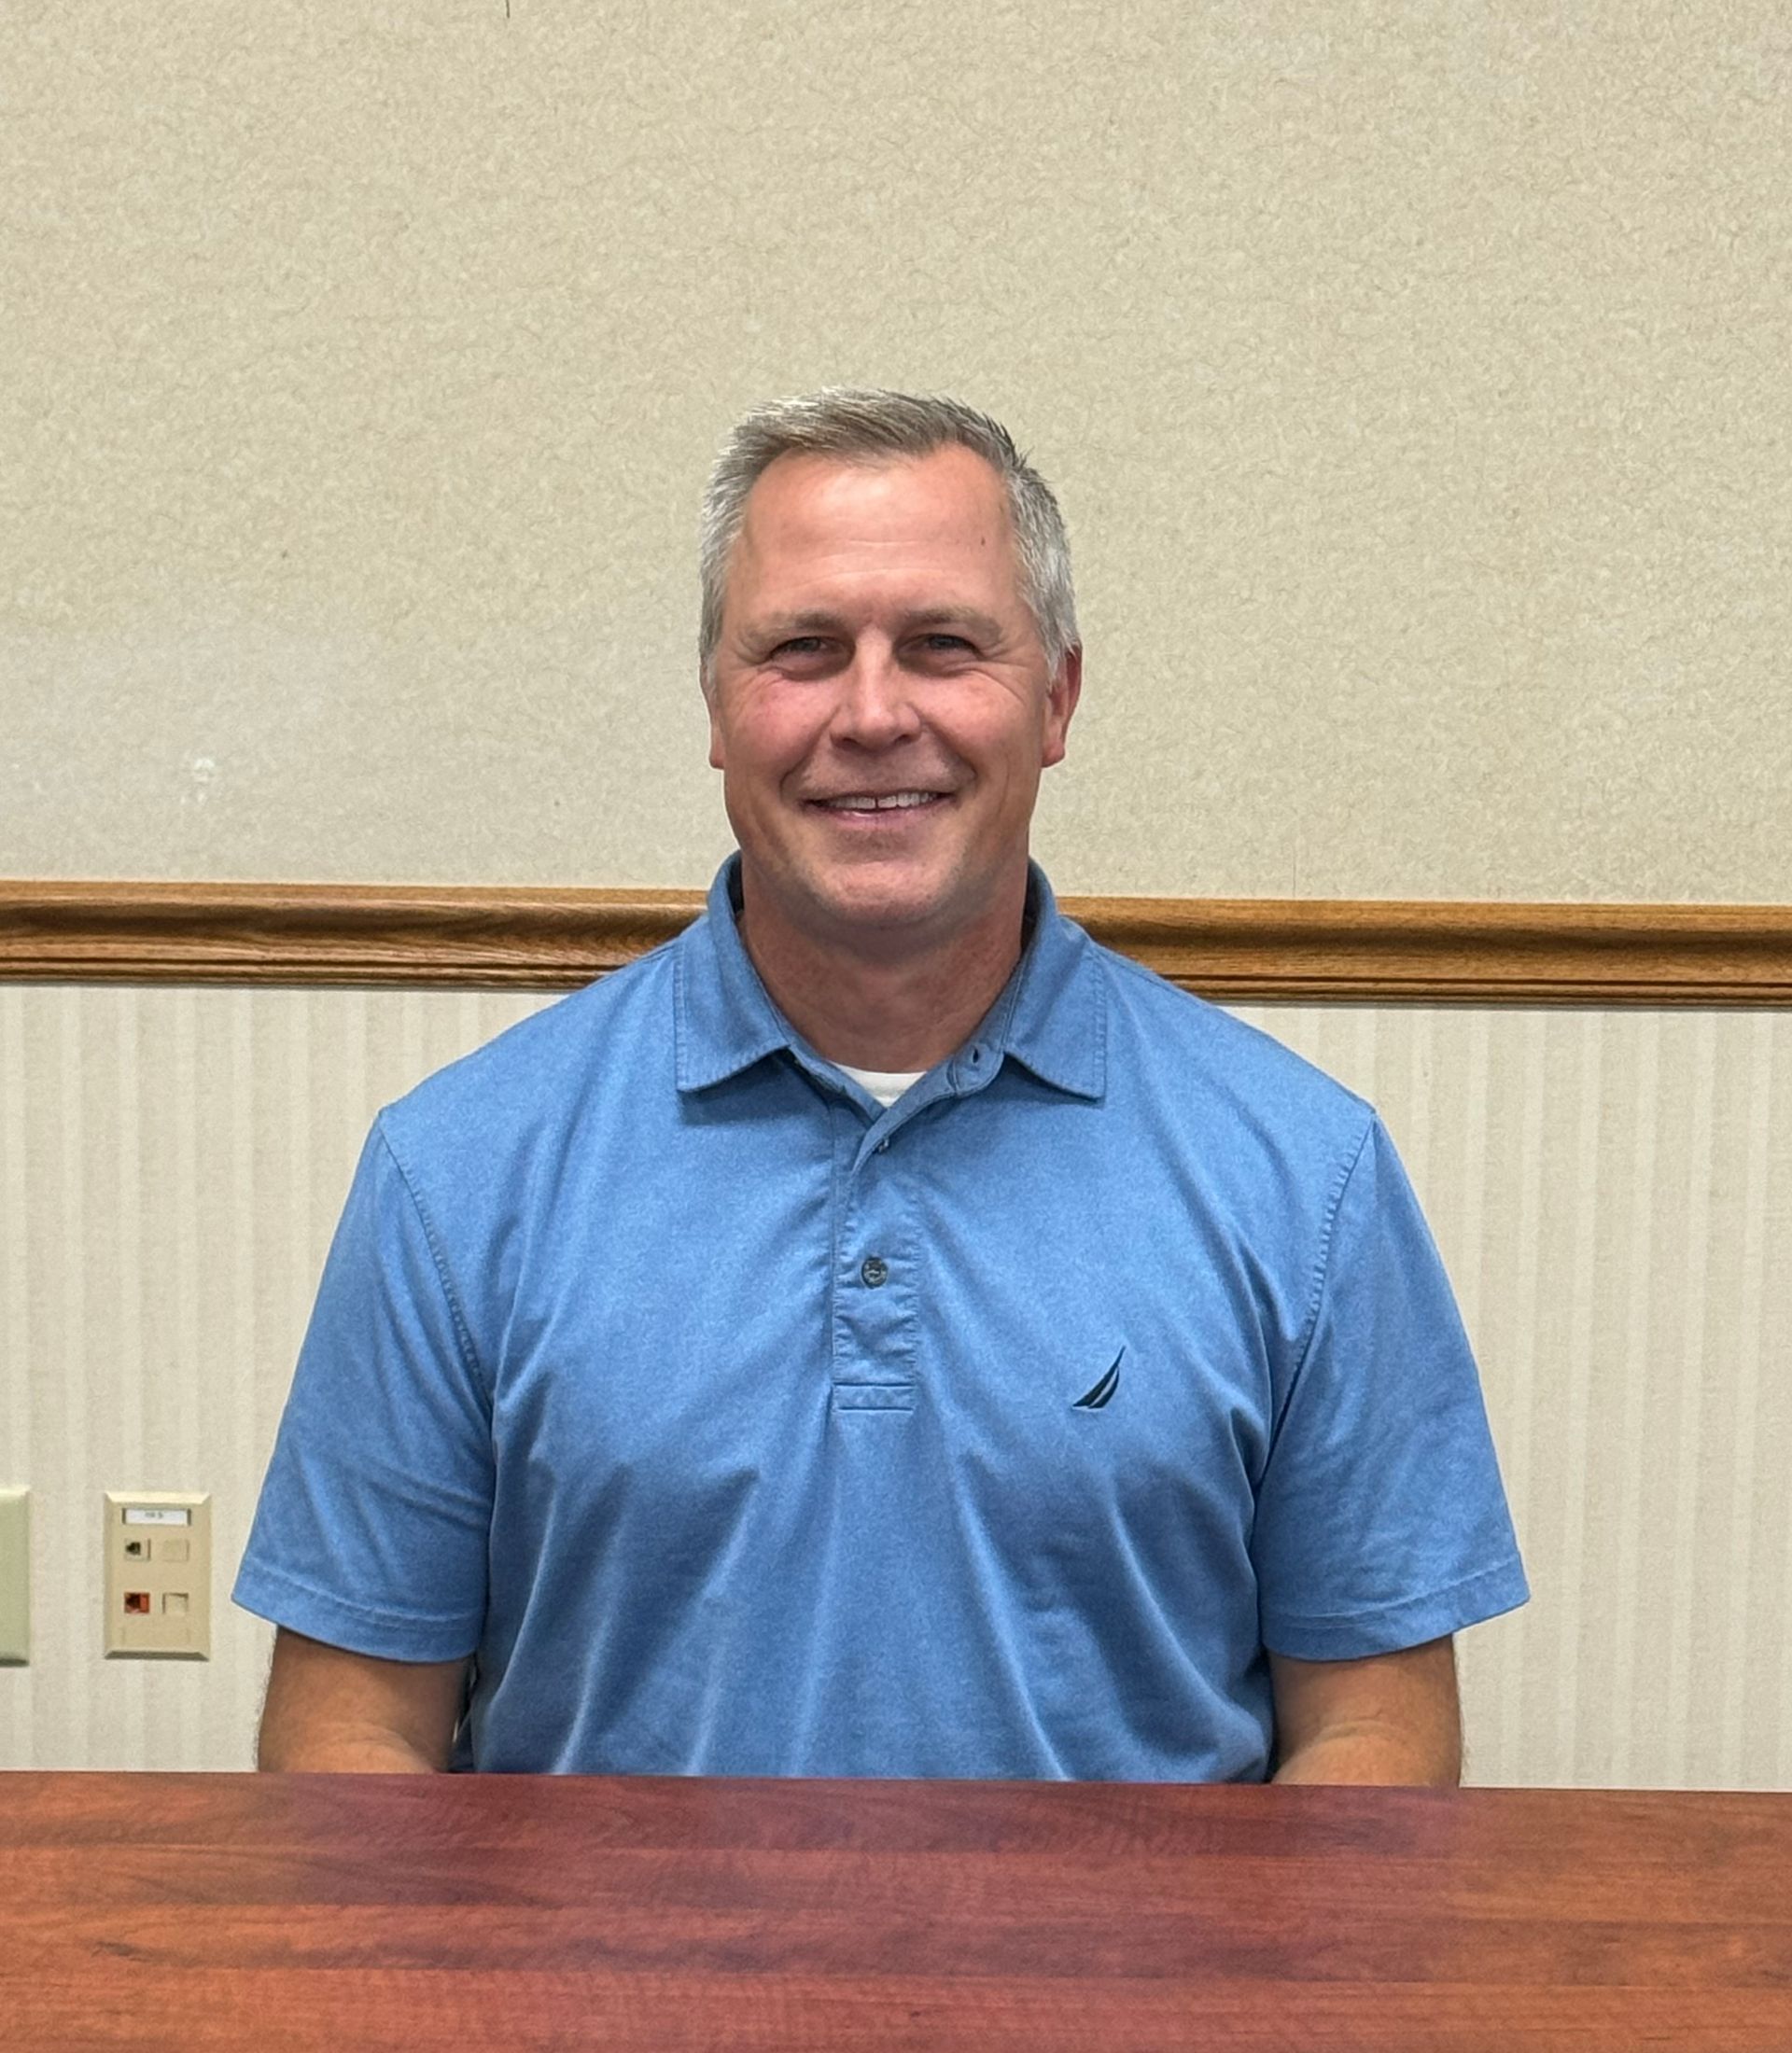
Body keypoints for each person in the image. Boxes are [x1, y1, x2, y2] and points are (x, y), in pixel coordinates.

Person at [235, 388, 1527, 1781]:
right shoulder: (459, 1170)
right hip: (598, 1946)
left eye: (942, 645)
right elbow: (348, 1733)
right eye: (802, 650)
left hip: (1131, 1944)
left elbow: (1376, 1731)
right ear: (717, 706)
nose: (870, 712)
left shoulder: (1303, 1176)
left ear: (1057, 699)